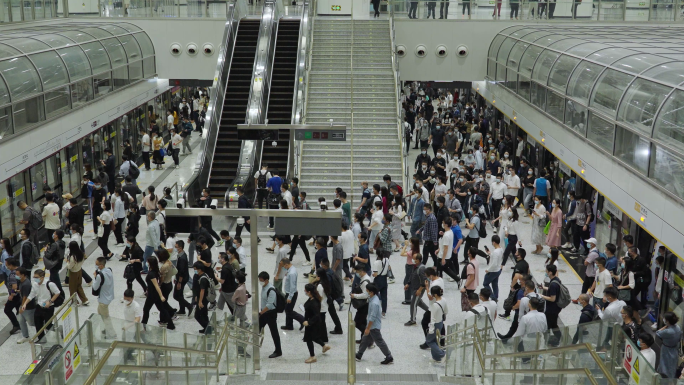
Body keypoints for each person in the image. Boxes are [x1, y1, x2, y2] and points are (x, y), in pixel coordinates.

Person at [355, 283, 394, 365]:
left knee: (379, 342)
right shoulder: (373, 298)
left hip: (373, 327)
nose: (366, 293)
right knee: (365, 340)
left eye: (367, 291)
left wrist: (368, 328)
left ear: (371, 292)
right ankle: (359, 355)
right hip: (371, 325)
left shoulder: (374, 303)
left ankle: (389, 356)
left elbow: (372, 317)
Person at [141, 256, 176, 330]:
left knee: (146, 309)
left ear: (150, 263)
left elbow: (157, 286)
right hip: (155, 294)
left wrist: (161, 296)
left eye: (148, 262)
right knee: (162, 309)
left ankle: (143, 325)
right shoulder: (155, 271)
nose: (146, 263)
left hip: (152, 295)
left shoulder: (151, 274)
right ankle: (171, 324)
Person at [301, 283, 331, 363]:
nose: (304, 291)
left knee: (308, 339)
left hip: (312, 323)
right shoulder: (312, 298)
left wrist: (309, 322)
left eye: (305, 290)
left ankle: (312, 356)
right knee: (314, 337)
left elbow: (317, 315)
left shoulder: (314, 302)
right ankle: (324, 346)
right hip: (313, 322)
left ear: (309, 292)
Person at [258, 272, 282, 358]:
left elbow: (269, 305)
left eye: (261, 280)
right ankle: (252, 346)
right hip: (264, 313)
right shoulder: (264, 287)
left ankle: (278, 351)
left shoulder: (271, 290)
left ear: (266, 280)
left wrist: (260, 313)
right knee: (256, 328)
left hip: (270, 314)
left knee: (274, 332)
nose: (260, 282)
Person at [93, 257, 116, 339]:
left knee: (106, 317)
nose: (95, 266)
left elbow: (95, 287)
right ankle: (105, 329)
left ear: (101, 266)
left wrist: (95, 277)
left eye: (96, 264)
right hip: (109, 296)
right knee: (100, 313)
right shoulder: (109, 270)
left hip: (103, 299)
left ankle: (112, 334)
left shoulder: (99, 276)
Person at [540, 264, 562, 346]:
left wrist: (542, 296)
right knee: (553, 324)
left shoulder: (553, 284)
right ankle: (557, 337)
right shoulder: (556, 280)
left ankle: (549, 340)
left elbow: (552, 298)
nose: (545, 272)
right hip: (556, 308)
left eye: (546, 271)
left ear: (550, 272)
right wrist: (544, 288)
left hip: (551, 309)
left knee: (549, 325)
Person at [656, 312, 681, 381]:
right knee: (672, 366)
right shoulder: (678, 328)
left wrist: (665, 326)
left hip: (666, 350)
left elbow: (658, 333)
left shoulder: (668, 331)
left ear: (667, 321)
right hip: (674, 349)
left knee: (664, 365)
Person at [281, 258, 304, 330]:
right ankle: (289, 325)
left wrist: (289, 297)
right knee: (288, 310)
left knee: (289, 311)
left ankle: (302, 320)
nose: (283, 268)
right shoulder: (290, 269)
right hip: (289, 293)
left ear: (286, 264)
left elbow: (293, 287)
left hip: (291, 294)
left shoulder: (292, 273)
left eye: (283, 266)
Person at [16, 267, 36, 344]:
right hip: (24, 306)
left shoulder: (26, 284)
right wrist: (18, 291)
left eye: (17, 275)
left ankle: (49, 327)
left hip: (28, 307)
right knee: (21, 320)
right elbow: (23, 292)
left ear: (23, 275)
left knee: (32, 323)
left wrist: (22, 307)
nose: (16, 276)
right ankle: (26, 336)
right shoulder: (22, 281)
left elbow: (25, 297)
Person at [66, 240, 89, 306]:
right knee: (79, 286)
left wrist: (67, 262)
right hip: (79, 271)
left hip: (73, 273)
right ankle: (85, 300)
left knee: (72, 288)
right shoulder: (81, 253)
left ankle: (74, 301)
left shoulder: (73, 257)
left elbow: (69, 266)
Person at [173, 240, 192, 315]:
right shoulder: (182, 255)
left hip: (182, 279)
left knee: (176, 295)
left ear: (180, 248)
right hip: (183, 278)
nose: (175, 248)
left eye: (176, 247)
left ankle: (189, 306)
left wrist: (179, 282)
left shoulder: (182, 258)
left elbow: (181, 271)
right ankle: (182, 310)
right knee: (180, 294)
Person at [483, 235, 503, 301]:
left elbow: (494, 264)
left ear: (494, 242)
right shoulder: (501, 249)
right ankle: (496, 296)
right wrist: (489, 253)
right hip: (498, 270)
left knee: (485, 283)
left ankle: (493, 297)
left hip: (493, 271)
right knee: (495, 284)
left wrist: (488, 270)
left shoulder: (495, 252)